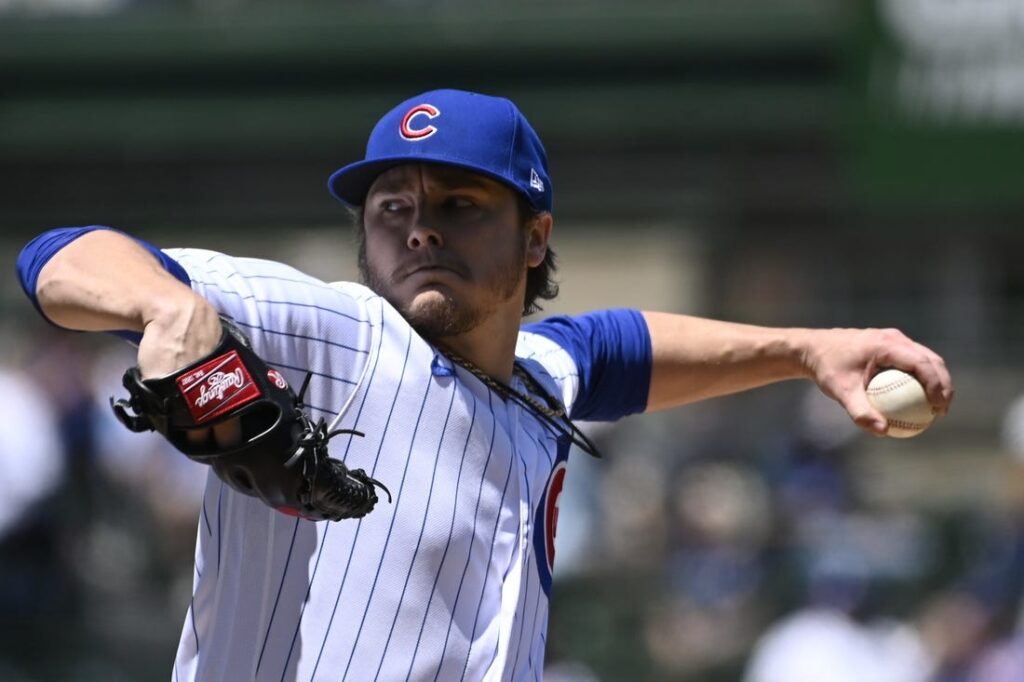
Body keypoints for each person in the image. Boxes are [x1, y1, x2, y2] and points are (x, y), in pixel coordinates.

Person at [14, 88, 953, 681]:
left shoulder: (535, 378)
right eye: (394, 208)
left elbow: (619, 349)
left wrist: (805, 347)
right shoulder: (338, 329)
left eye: (459, 206)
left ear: (535, 237)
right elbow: (58, 257)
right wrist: (167, 311)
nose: (419, 230)